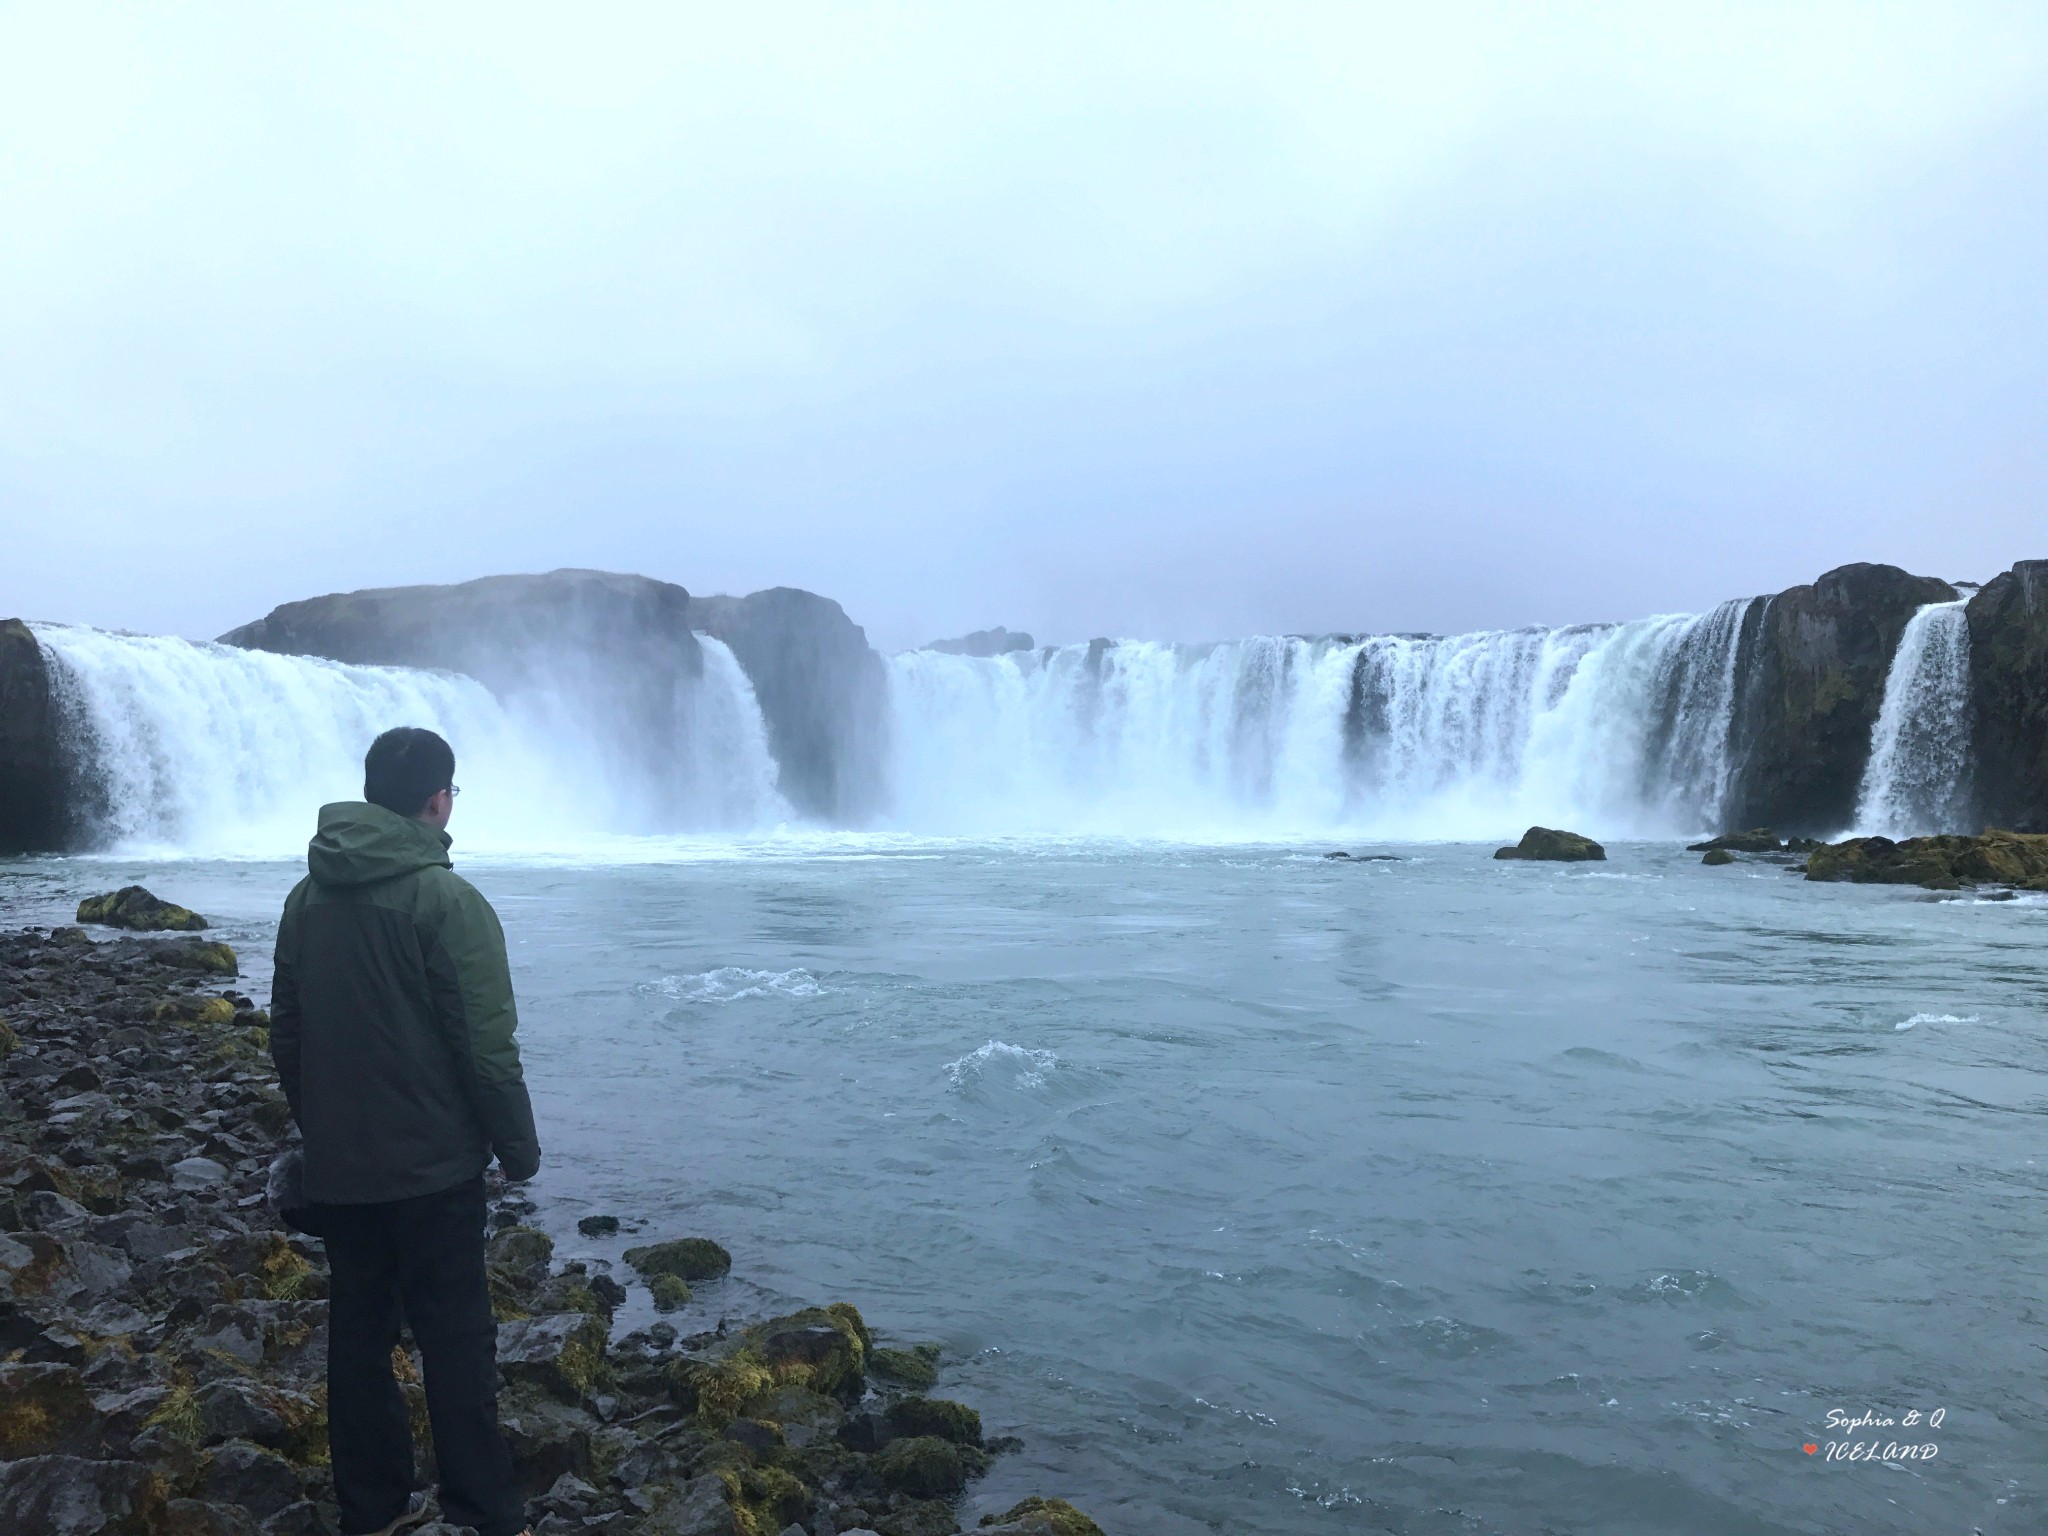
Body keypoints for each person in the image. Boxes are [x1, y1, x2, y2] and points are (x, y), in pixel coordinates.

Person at [271, 727, 540, 1536]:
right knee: (457, 1341)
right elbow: (486, 1048)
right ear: (438, 798)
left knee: (357, 1336)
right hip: (435, 1171)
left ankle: (372, 1510)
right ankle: (485, 1513)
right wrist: (517, 1150)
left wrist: (323, 1127)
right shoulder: (448, 902)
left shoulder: (304, 898)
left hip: (343, 1168)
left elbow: (285, 1032)